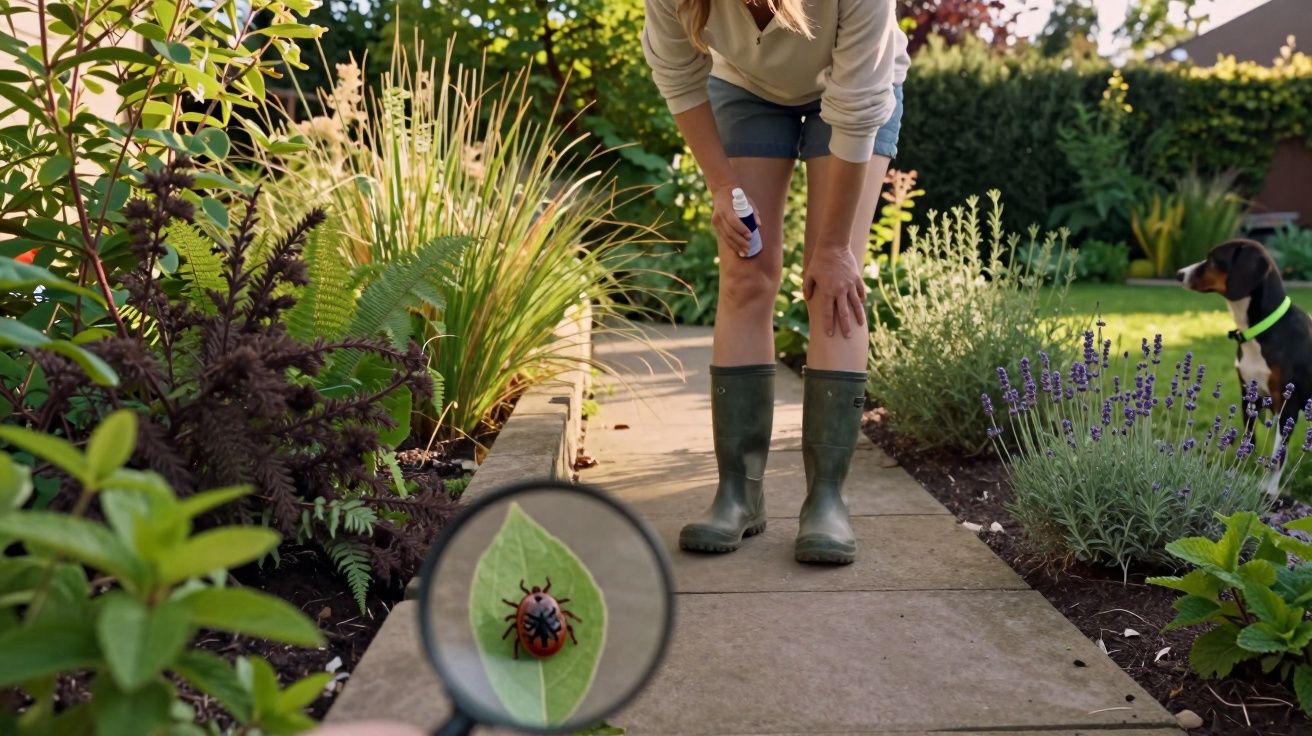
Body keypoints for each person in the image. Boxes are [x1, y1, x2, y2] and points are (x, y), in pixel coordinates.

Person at [641, 0, 910, 564]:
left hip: (855, 94)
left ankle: (826, 500)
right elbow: (677, 74)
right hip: (745, 91)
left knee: (833, 285)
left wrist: (834, 250)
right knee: (745, 277)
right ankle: (738, 494)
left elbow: (857, 107)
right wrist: (721, 187)